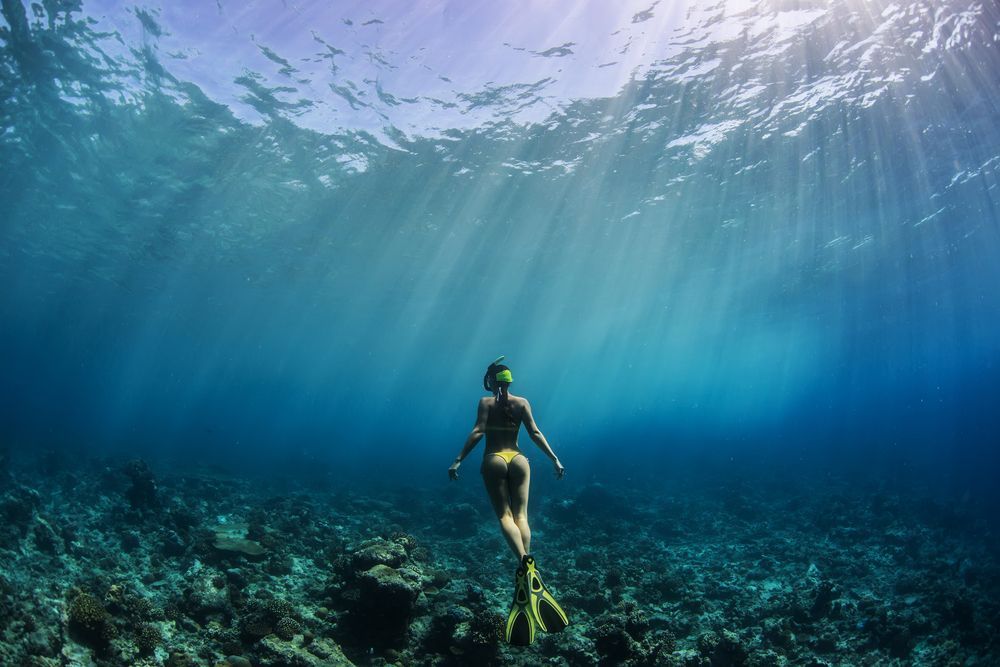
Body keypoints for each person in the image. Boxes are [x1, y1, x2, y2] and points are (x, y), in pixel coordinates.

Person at [448, 356, 568, 645]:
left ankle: (524, 563)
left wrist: (458, 460)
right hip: (518, 459)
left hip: (494, 459)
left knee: (504, 517)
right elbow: (535, 433)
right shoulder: (523, 402)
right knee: (522, 517)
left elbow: (478, 432)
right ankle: (529, 568)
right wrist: (554, 459)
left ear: (491, 382)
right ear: (511, 382)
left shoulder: (485, 403)